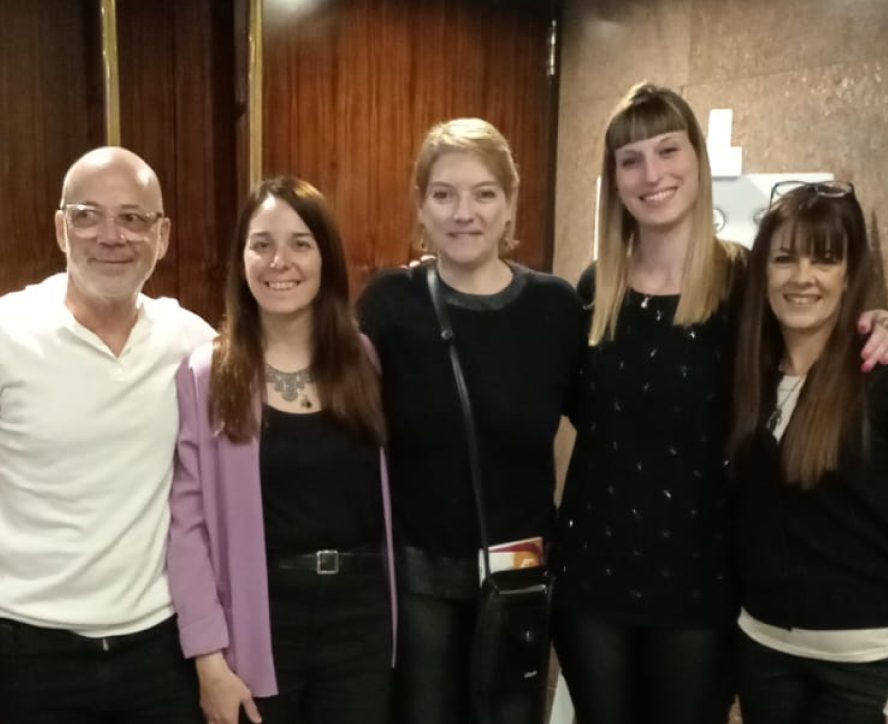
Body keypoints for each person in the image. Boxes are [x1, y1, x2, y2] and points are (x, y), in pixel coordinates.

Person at [552, 83, 888, 724]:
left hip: (701, 583)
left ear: (697, 160)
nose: (652, 174)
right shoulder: (596, 289)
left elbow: (818, 329)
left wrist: (876, 321)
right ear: (614, 179)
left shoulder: (745, 284)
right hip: (593, 578)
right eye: (631, 160)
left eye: (667, 150)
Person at [358, 117, 585, 724]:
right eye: (444, 194)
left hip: (519, 578)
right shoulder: (389, 304)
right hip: (419, 584)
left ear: (510, 204)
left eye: (484, 193)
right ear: (420, 205)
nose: (464, 213)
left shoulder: (555, 308)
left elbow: (609, 425)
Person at [167, 176, 395, 724]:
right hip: (259, 616)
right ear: (241, 260)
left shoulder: (362, 358)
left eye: (300, 243)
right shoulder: (208, 372)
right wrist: (208, 660)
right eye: (262, 244)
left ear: (325, 258)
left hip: (360, 615)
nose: (279, 261)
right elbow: (187, 527)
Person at [0, 146, 215, 723]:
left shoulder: (192, 343)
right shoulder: (8, 333)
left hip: (159, 654)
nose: (111, 236)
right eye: (87, 216)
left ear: (162, 236)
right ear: (60, 229)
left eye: (133, 218)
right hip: (26, 654)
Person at [729, 182, 888, 724]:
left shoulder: (878, 375)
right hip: (763, 652)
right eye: (784, 259)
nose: (802, 277)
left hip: (863, 667)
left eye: (824, 259)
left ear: (850, 274)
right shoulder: (748, 376)